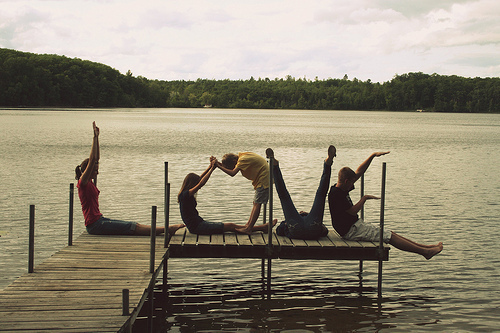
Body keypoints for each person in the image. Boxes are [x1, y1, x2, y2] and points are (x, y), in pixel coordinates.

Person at [75, 121, 184, 236]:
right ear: (88, 170)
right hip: (94, 226)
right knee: (131, 227)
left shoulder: (89, 182)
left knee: (132, 224)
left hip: (99, 221)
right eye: (95, 170)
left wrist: (97, 138)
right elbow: (92, 160)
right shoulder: (83, 183)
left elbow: (96, 158)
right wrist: (93, 137)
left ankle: (165, 229)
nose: (98, 172)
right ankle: (166, 229)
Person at [328, 151, 443, 259]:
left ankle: (426, 248)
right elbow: (352, 211)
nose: (353, 185)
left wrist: (372, 156)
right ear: (347, 181)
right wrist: (364, 198)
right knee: (388, 236)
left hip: (354, 226)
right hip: (350, 231)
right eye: (352, 183)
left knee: (390, 233)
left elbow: (359, 172)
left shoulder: (340, 187)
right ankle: (425, 252)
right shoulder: (336, 195)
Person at [178, 157, 276, 235]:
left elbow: (200, 179)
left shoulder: (185, 193)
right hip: (197, 227)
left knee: (232, 226)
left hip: (199, 224)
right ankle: (262, 228)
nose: (197, 186)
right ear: (191, 184)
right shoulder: (185, 195)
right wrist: (212, 169)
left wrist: (210, 166)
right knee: (230, 226)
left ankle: (261, 228)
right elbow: (201, 183)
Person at [266, 146, 334, 240]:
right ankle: (328, 164)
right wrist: (287, 222)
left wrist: (285, 224)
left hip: (304, 228)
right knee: (284, 196)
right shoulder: (296, 219)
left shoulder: (310, 219)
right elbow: (325, 231)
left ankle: (274, 164)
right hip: (303, 227)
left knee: (321, 195)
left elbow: (279, 231)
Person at [216, 151, 269, 234]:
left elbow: (232, 173)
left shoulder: (242, 160)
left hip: (264, 179)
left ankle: (249, 228)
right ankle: (248, 226)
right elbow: (231, 168)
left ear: (234, 162)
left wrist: (218, 166)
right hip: (263, 178)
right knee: (255, 203)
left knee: (257, 203)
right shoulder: (242, 156)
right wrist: (218, 164)